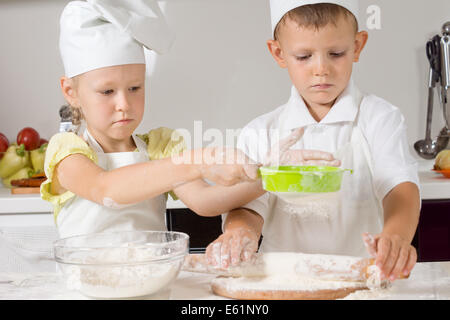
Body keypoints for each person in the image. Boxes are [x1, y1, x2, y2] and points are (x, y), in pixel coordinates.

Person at [42, 0, 339, 239]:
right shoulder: (67, 151)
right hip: (84, 288)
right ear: (71, 92)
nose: (124, 104)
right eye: (107, 91)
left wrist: (270, 175)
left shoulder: (160, 146)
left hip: (149, 282)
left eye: (135, 88)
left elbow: (206, 202)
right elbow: (105, 190)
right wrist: (198, 161)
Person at [206, 0, 421, 283]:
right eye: (304, 56)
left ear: (357, 46)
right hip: (281, 282)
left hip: (362, 278)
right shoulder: (260, 132)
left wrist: (396, 235)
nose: (321, 69)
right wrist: (239, 232)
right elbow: (247, 206)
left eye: (336, 53)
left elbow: (400, 188)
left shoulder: (380, 118)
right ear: (278, 53)